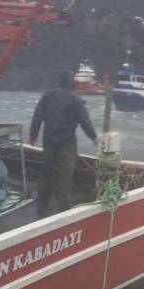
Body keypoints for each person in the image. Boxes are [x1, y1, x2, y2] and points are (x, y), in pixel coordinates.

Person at [30, 70, 97, 217]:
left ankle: (42, 209)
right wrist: (94, 138)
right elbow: (84, 121)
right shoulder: (75, 98)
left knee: (46, 176)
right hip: (66, 144)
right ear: (71, 83)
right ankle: (64, 210)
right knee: (65, 177)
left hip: (48, 143)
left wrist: (33, 135)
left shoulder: (48, 95)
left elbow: (37, 116)